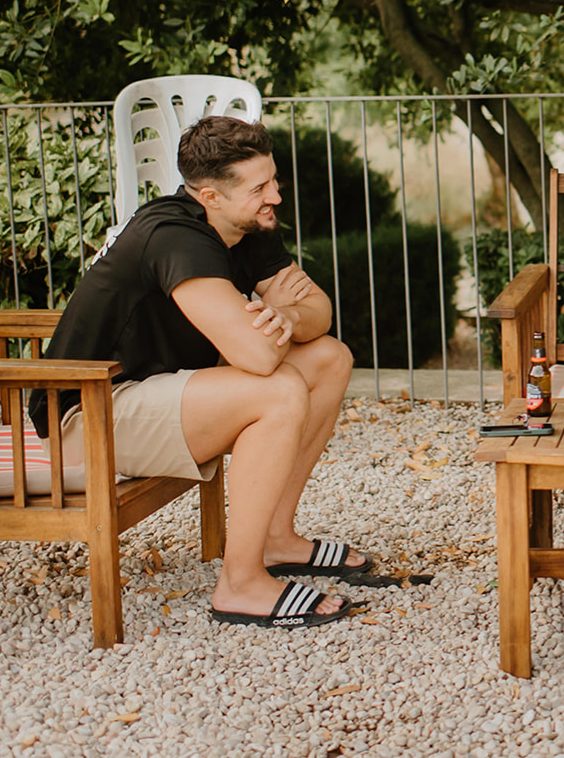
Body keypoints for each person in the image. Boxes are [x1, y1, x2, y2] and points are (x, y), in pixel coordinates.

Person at [31, 116, 363, 629]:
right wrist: (273, 320)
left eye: (272, 180)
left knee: (328, 358)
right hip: (88, 411)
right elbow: (257, 357)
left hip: (160, 390)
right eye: (260, 188)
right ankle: (242, 584)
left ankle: (275, 537)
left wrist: (288, 316)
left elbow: (318, 312)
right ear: (210, 195)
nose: (275, 195)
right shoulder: (174, 236)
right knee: (277, 391)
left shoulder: (247, 225)